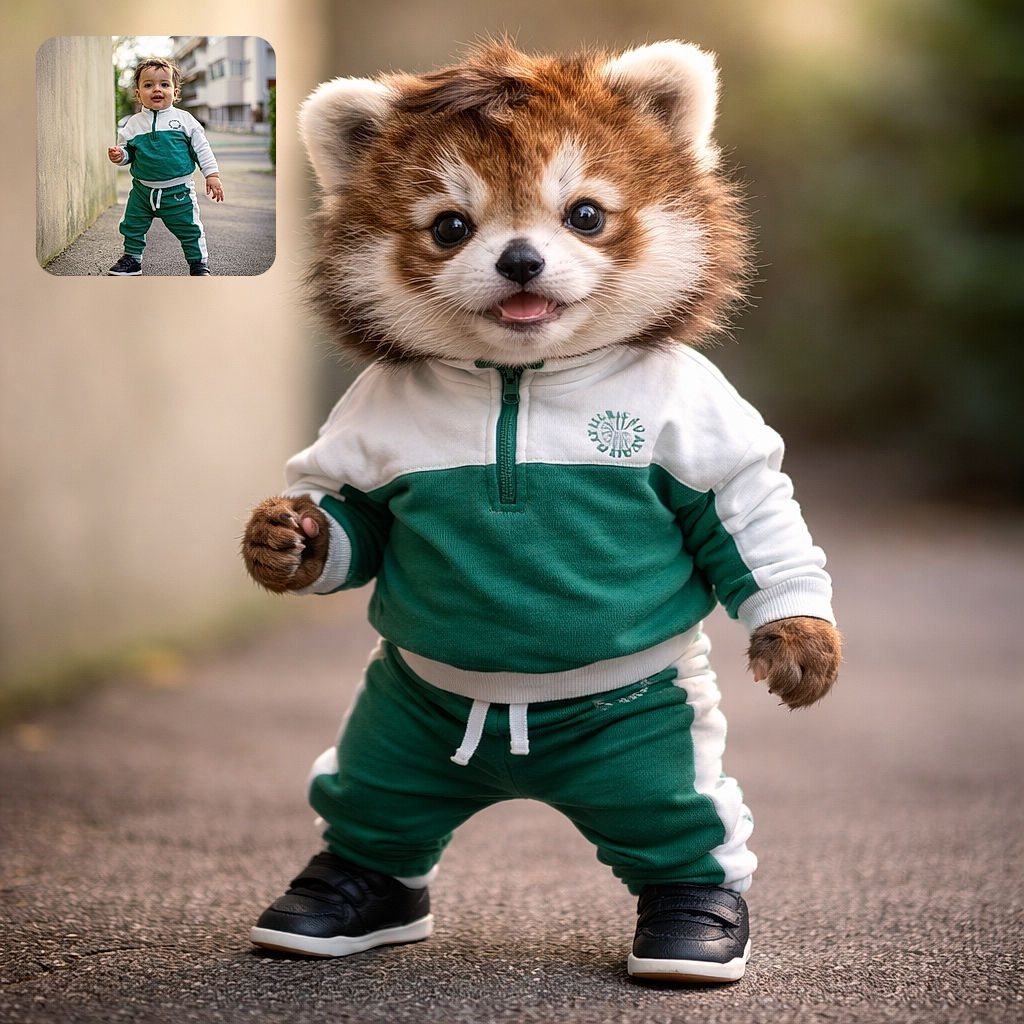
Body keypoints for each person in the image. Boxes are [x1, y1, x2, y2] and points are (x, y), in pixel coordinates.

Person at [106, 57, 224, 276]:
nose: (157, 89)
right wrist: (120, 155)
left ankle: (198, 263)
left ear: (175, 93)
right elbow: (129, 152)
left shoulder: (185, 121)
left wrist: (212, 175)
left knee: (190, 229)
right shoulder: (133, 124)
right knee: (132, 224)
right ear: (139, 94)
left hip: (178, 192)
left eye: (164, 84)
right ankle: (132, 259)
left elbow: (202, 149)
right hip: (142, 191)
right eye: (149, 85)